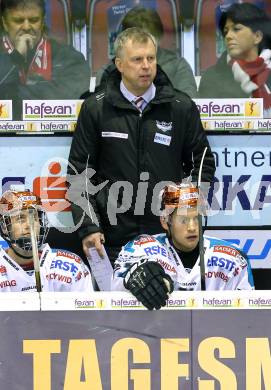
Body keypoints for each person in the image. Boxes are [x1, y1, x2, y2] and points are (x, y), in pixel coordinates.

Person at [67, 27, 215, 265]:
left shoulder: (180, 107)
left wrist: (186, 215)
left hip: (167, 242)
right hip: (111, 242)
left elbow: (202, 164)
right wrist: (88, 227)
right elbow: (79, 175)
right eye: (137, 59)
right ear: (120, 64)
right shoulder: (96, 108)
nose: (146, 66)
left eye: (151, 58)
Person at [111, 182, 254, 310]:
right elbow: (114, 288)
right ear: (165, 221)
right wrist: (133, 274)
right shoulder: (142, 248)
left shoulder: (233, 257)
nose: (192, 227)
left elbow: (251, 312)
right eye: (184, 220)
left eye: (197, 218)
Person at [0, 0, 90, 119]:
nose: (26, 27)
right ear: (5, 23)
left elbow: (72, 93)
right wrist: (15, 58)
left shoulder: (67, 56)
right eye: (18, 20)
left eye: (34, 20)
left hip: (54, 134)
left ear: (42, 22)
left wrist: (10, 94)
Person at [0, 189, 93, 292]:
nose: (29, 225)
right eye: (20, 218)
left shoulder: (71, 267)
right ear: (4, 227)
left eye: (34, 218)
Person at [94, 6, 197, 98]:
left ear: (160, 38)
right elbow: (101, 109)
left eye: (147, 39)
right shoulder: (108, 71)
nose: (146, 66)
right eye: (136, 41)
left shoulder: (178, 67)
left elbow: (189, 107)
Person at [198, 3, 271, 117]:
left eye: (236, 29)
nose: (228, 36)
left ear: (257, 37)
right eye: (226, 31)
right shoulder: (212, 78)